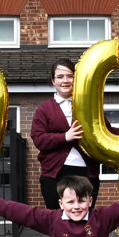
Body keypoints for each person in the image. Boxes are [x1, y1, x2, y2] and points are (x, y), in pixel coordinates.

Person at [31, 59, 106, 209]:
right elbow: (39, 139)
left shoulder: (89, 106)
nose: (65, 80)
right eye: (60, 76)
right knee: (58, 222)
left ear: (76, 79)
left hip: (87, 172)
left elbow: (107, 132)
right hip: (54, 175)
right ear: (53, 80)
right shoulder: (44, 109)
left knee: (85, 221)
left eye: (69, 76)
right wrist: (65, 137)